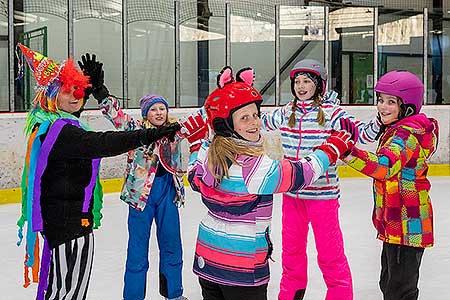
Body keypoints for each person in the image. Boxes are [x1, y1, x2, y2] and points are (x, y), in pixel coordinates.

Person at [15, 44, 180, 300]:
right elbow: (101, 142)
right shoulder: (63, 131)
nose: (76, 96)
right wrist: (149, 134)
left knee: (63, 287)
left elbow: (75, 124)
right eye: (67, 91)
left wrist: (92, 90)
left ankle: (173, 291)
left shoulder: (52, 124)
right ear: (51, 95)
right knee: (70, 290)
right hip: (73, 224)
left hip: (63, 221)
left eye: (78, 91)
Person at [179, 66, 355, 300]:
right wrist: (331, 149)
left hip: (208, 261)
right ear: (228, 124)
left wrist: (195, 142)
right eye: (244, 118)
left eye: (255, 115)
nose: (255, 123)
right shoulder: (254, 168)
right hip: (241, 268)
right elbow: (300, 174)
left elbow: (193, 176)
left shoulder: (208, 153)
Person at [259, 59, 380, 300]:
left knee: (330, 254)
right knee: (291, 254)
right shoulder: (286, 112)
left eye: (307, 81)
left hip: (322, 198)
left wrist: (379, 119)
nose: (301, 86)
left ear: (318, 85)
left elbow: (363, 135)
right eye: (297, 82)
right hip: (292, 196)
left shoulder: (333, 114)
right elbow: (257, 121)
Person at [77, 54, 187, 300]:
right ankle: (134, 296)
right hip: (141, 197)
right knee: (138, 249)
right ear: (145, 114)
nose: (159, 112)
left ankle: (174, 293)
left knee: (172, 245)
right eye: (153, 109)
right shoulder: (135, 130)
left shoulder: (175, 131)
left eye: (162, 108)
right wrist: (101, 92)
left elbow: (202, 119)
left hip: (168, 193)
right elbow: (115, 114)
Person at [340, 70, 438, 300]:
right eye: (380, 100)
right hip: (396, 224)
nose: (382, 107)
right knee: (389, 284)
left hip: (407, 226)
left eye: (391, 102)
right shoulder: (397, 130)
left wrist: (348, 152)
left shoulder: (406, 135)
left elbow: (384, 166)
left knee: (400, 290)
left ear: (409, 107)